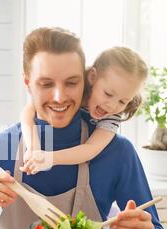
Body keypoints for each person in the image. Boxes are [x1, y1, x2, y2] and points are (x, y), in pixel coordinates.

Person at [0, 27, 167, 229]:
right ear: (27, 83)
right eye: (46, 84)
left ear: (86, 82)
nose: (59, 97)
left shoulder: (117, 151)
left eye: (71, 82)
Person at [20, 46, 147, 175]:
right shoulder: (73, 92)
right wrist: (33, 147)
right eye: (108, 94)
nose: (112, 106)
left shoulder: (113, 115)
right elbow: (28, 111)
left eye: (122, 101)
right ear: (92, 77)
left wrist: (50, 158)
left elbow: (91, 148)